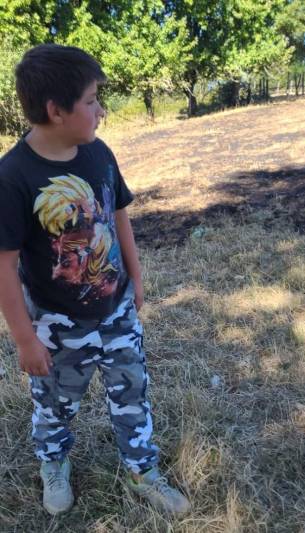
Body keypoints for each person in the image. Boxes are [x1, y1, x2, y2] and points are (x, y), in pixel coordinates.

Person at [0, 44, 189, 516]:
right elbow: (3, 264)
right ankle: (54, 463)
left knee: (132, 392)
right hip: (58, 324)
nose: (101, 110)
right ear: (55, 111)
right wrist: (25, 339)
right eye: (91, 101)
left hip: (117, 310)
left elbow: (119, 213)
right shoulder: (13, 176)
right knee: (55, 404)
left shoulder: (98, 152)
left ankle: (144, 470)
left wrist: (136, 275)